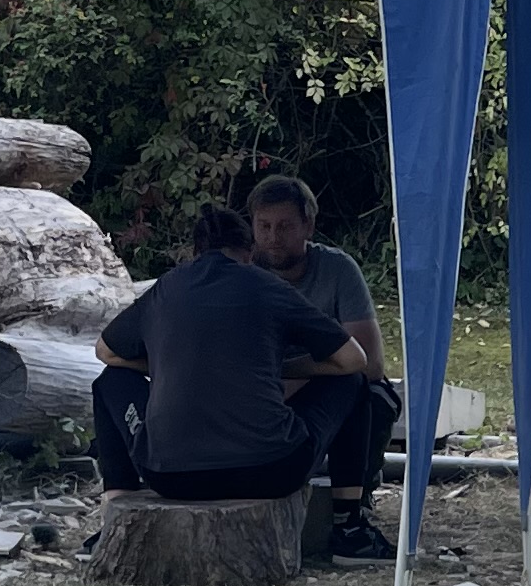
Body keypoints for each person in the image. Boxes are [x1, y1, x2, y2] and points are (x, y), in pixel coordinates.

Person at [90, 203, 367, 509]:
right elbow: (354, 359)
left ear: (194, 252)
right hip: (272, 470)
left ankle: (117, 505)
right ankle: (348, 518)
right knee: (351, 381)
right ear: (250, 252)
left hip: (170, 475)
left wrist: (167, 366)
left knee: (110, 380)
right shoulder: (267, 285)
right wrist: (284, 368)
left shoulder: (166, 287)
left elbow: (105, 350)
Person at [243, 174, 398, 558]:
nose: (273, 238)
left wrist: (291, 373)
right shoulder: (242, 273)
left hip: (318, 387)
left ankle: (353, 505)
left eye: (284, 226)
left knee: (372, 395)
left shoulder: (338, 270)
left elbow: (370, 363)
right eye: (264, 226)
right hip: (259, 396)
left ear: (308, 226)